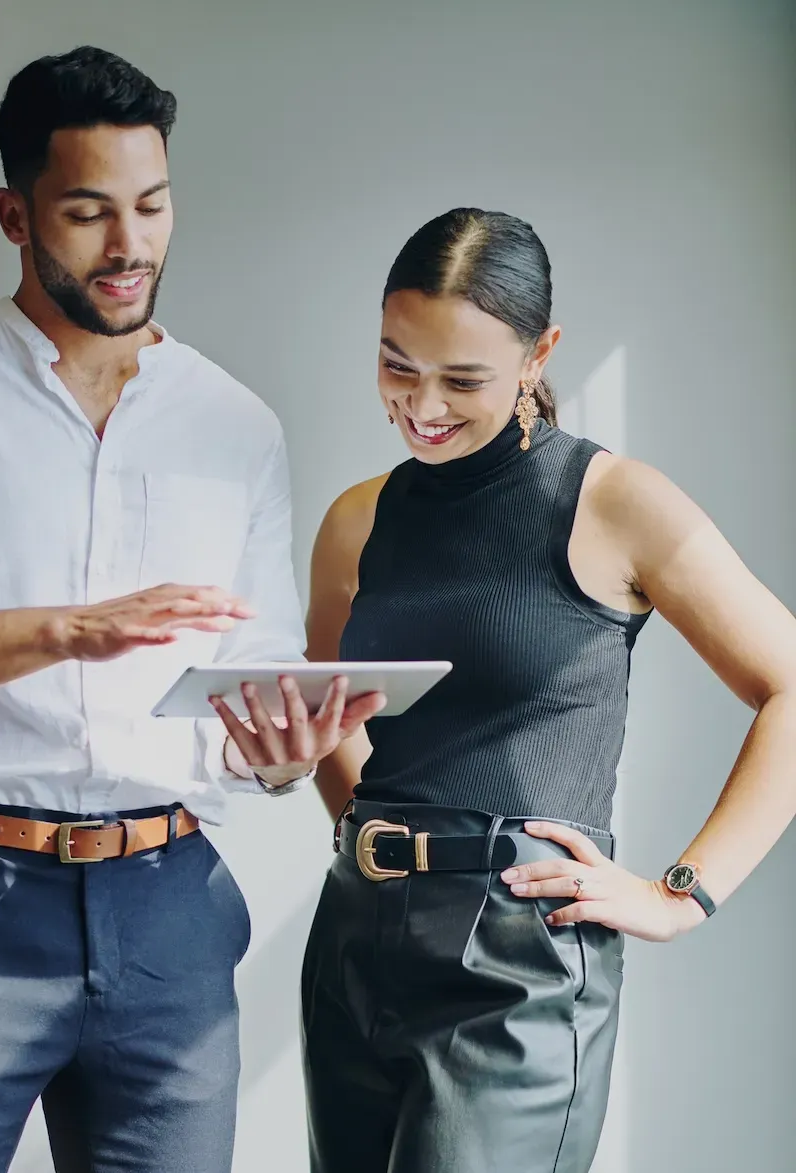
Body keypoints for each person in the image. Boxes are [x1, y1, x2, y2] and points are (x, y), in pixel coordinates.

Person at [0, 46, 381, 1173]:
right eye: (89, 212)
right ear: (14, 215)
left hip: (173, 909)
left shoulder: (236, 423)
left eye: (152, 206)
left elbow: (245, 675)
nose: (130, 247)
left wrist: (283, 755)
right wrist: (60, 629)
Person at [217, 207, 796, 1172]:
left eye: (463, 379)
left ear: (540, 354)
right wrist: (294, 771)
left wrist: (678, 896)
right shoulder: (356, 520)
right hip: (357, 933)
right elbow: (327, 724)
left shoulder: (616, 503)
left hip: (519, 956)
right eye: (397, 365)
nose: (421, 405)